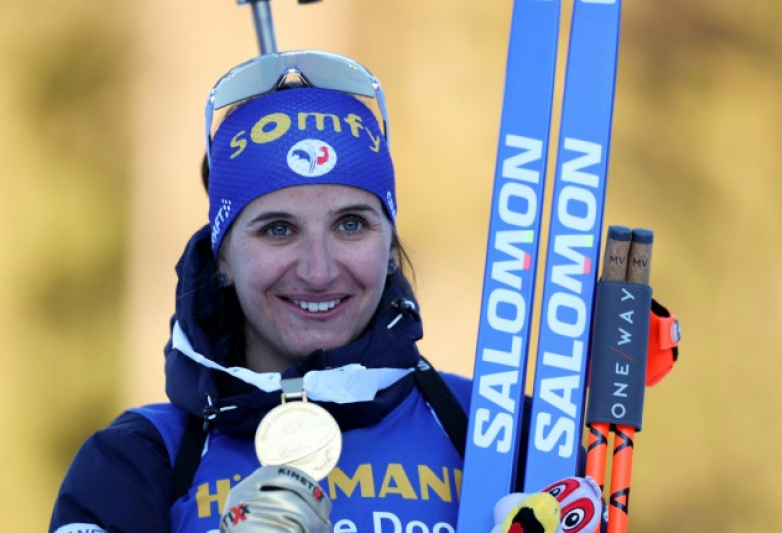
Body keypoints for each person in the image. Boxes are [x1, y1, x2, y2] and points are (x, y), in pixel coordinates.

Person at [48, 51, 597, 533]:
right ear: (222, 259)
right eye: (278, 230)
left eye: (351, 224)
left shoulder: (504, 434)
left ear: (389, 243)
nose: (317, 270)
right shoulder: (139, 459)